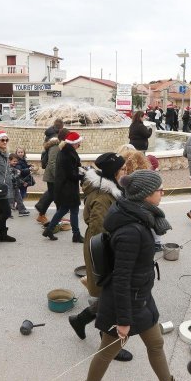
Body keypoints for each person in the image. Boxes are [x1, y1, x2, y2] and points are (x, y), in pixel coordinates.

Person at [78, 170, 191, 381]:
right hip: (126, 302)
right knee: (107, 351)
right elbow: (122, 278)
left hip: (141, 296)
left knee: (155, 342)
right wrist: (123, 320)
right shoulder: (131, 231)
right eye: (158, 190)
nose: (162, 192)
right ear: (145, 195)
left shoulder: (134, 214)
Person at [68, 153, 134, 362]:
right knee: (111, 298)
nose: (126, 172)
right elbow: (99, 231)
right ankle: (109, 345)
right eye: (123, 170)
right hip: (102, 251)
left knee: (108, 297)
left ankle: (80, 320)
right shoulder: (103, 197)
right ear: (114, 173)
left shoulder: (112, 191)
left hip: (106, 247)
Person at [43, 132, 85, 242]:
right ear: (74, 143)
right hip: (68, 188)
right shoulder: (68, 154)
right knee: (74, 211)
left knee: (63, 210)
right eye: (79, 143)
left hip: (65, 187)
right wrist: (82, 175)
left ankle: (49, 230)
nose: (80, 144)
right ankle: (76, 235)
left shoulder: (66, 151)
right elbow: (71, 174)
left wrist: (80, 170)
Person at [35, 131, 66, 224]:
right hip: (52, 177)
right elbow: (52, 162)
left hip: (55, 176)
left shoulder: (60, 146)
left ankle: (59, 216)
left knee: (56, 196)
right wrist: (58, 176)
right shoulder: (55, 147)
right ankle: (41, 215)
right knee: (52, 196)